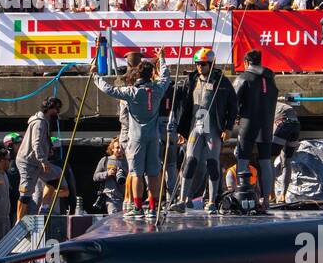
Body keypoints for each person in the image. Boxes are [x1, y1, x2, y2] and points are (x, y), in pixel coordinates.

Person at [94, 49, 172, 219]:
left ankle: (137, 207)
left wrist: (95, 76)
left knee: (136, 173)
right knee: (153, 173)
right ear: (151, 75)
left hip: (136, 138)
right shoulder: (158, 89)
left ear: (137, 75)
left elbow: (108, 89)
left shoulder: (131, 92)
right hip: (154, 137)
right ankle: (153, 208)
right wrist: (162, 58)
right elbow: (166, 76)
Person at [168, 47, 237, 214]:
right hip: (195, 126)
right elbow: (180, 104)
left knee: (212, 162)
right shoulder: (190, 80)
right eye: (197, 64)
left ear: (211, 64)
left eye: (203, 64)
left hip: (213, 127)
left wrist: (228, 127)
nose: (200, 67)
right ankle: (183, 200)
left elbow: (233, 105)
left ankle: (212, 201)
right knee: (190, 160)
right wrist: (179, 128)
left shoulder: (222, 81)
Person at [233, 49, 279, 206]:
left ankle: (240, 196)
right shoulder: (270, 79)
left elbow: (233, 101)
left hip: (248, 124)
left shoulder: (244, 77)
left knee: (243, 160)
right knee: (266, 161)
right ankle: (266, 199)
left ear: (246, 62)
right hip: (266, 125)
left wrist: (232, 119)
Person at [15, 97, 62, 220]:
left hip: (36, 161)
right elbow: (36, 143)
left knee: (55, 175)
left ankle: (44, 207)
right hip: (28, 161)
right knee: (26, 192)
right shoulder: (39, 122)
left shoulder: (45, 121)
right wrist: (43, 160)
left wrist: (48, 149)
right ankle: (19, 221)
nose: (58, 112)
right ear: (51, 108)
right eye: (57, 109)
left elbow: (41, 142)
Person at [93, 139, 128, 214]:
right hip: (111, 198)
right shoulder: (105, 160)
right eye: (117, 147)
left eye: (122, 147)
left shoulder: (128, 161)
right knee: (115, 223)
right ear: (112, 148)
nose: (120, 150)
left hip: (127, 199)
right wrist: (107, 173)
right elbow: (95, 177)